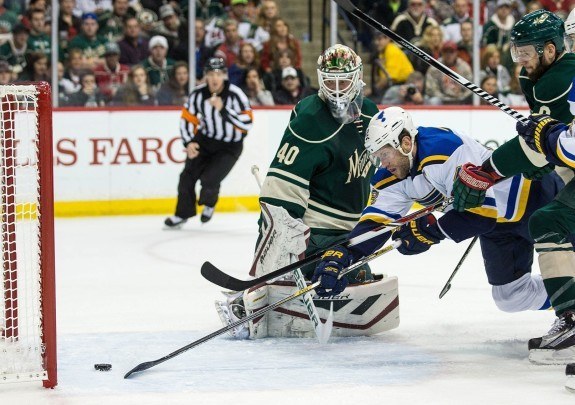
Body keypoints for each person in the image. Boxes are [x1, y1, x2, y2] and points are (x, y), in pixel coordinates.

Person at [216, 45, 399, 340]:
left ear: (358, 77)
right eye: (330, 82)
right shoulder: (311, 118)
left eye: (343, 81)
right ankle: (261, 296)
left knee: (357, 276)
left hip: (352, 229)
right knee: (344, 275)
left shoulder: (369, 113)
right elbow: (280, 192)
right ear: (319, 79)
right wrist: (280, 247)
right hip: (318, 230)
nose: (337, 90)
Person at [312, 106, 564, 311]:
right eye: (378, 156)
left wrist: (430, 231)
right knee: (511, 297)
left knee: (566, 263)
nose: (382, 163)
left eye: (385, 154)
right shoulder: (392, 176)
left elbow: (481, 216)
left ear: (406, 142)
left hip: (536, 198)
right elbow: (375, 226)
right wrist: (345, 254)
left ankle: (568, 310)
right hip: (498, 227)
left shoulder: (443, 150)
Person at [452, 10, 575, 365]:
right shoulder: (542, 76)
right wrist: (545, 146)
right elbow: (546, 148)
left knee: (551, 222)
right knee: (554, 221)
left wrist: (489, 171)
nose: (519, 60)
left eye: (527, 52)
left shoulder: (561, 80)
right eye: (516, 52)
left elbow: (550, 145)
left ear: (549, 50)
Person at [164, 57, 252, 228]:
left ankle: (209, 204)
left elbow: (247, 122)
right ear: (205, 76)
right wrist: (189, 142)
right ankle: (181, 215)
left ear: (224, 76)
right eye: (210, 74)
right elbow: (187, 118)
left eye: (218, 74)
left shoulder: (235, 94)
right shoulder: (198, 94)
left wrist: (223, 109)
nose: (214, 78)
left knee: (209, 180)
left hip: (230, 145)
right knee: (186, 177)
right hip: (205, 140)